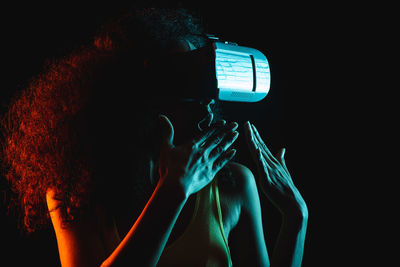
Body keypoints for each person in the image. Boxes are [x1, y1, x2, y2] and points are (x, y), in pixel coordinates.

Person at [1, 8, 308, 267]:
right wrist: (174, 190)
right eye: (180, 81)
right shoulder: (72, 196)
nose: (202, 101)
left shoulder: (234, 186)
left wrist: (296, 220)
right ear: (131, 96)